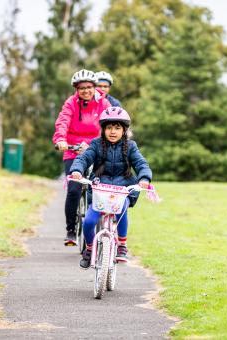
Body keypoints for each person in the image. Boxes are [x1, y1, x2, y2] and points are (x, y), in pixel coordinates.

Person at [69, 107, 152, 269]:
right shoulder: (96, 144)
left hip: (124, 188)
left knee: (121, 210)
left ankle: (122, 244)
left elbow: (141, 164)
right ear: (103, 129)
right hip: (101, 188)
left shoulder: (131, 146)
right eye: (109, 128)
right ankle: (89, 248)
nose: (113, 131)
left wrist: (144, 178)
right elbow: (84, 158)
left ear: (124, 130)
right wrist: (77, 170)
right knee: (89, 221)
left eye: (117, 128)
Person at [53, 69, 111, 246]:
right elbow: (63, 121)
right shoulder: (71, 103)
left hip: (95, 148)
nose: (86, 90)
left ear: (94, 87)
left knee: (102, 186)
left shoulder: (104, 103)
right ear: (76, 89)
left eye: (89, 87)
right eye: (81, 88)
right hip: (73, 150)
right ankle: (71, 230)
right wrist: (61, 139)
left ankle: (104, 225)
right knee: (73, 190)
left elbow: (108, 122)